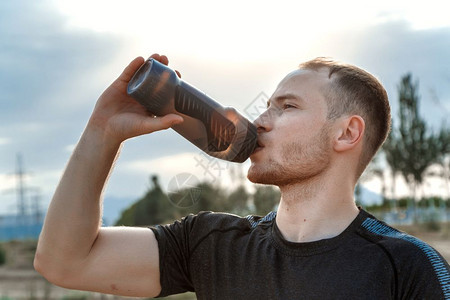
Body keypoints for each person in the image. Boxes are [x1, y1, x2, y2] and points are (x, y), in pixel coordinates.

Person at [34, 53, 450, 299]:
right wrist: (102, 132)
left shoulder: (407, 265)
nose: (260, 122)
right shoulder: (210, 243)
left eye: (286, 107)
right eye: (266, 106)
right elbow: (64, 262)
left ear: (347, 133)